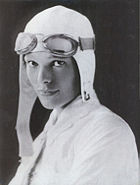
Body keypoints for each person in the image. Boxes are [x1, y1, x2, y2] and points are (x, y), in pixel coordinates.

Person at [8, 5, 139, 185]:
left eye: (57, 63)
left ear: (83, 66)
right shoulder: (47, 135)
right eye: (32, 63)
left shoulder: (107, 132)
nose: (42, 79)